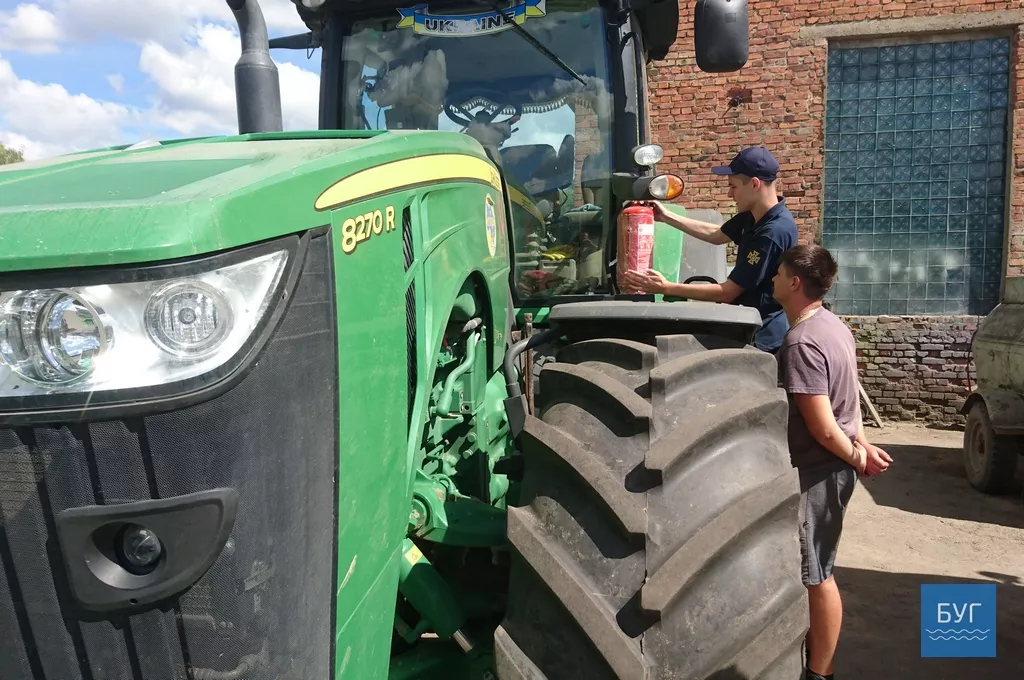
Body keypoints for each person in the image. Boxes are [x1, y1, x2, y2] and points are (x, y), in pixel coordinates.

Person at [771, 244, 892, 680]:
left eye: (779, 273)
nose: (772, 280)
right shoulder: (835, 327)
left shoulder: (801, 341)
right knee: (817, 567)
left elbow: (823, 426)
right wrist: (862, 443)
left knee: (816, 573)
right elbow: (851, 407)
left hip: (820, 469)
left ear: (795, 282)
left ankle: (818, 674)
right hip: (835, 464)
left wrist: (859, 455)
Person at [621, 146, 797, 354]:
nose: (730, 194)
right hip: (746, 326)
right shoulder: (754, 214)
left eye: (733, 186)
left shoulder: (773, 232)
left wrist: (665, 287)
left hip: (761, 337)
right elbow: (716, 234)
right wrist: (666, 216)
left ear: (754, 184)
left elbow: (728, 292)